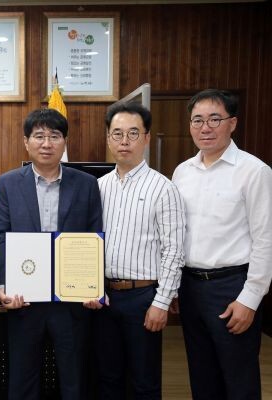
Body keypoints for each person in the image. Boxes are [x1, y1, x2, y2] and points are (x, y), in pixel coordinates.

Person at [0, 108, 103, 399]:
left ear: (65, 141)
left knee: (74, 380)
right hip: (24, 299)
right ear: (26, 142)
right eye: (39, 136)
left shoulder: (86, 184)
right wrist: (3, 285)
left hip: (72, 301)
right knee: (23, 379)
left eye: (54, 136)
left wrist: (95, 286)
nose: (46, 143)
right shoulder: (7, 184)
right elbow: (2, 236)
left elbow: (94, 236)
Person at [172, 89, 272, 399]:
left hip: (231, 289)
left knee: (239, 380)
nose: (205, 128)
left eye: (215, 119)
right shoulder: (182, 172)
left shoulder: (254, 171)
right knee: (202, 378)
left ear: (233, 123)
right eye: (197, 120)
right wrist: (173, 285)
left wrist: (250, 298)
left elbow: (265, 239)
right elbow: (176, 234)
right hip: (190, 287)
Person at [87, 102, 185, 399]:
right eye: (117, 134)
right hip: (104, 298)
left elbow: (174, 250)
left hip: (143, 298)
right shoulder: (98, 187)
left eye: (133, 133)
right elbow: (89, 242)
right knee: (108, 379)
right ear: (108, 139)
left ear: (146, 138)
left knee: (144, 382)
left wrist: (162, 302)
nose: (124, 141)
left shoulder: (163, 188)